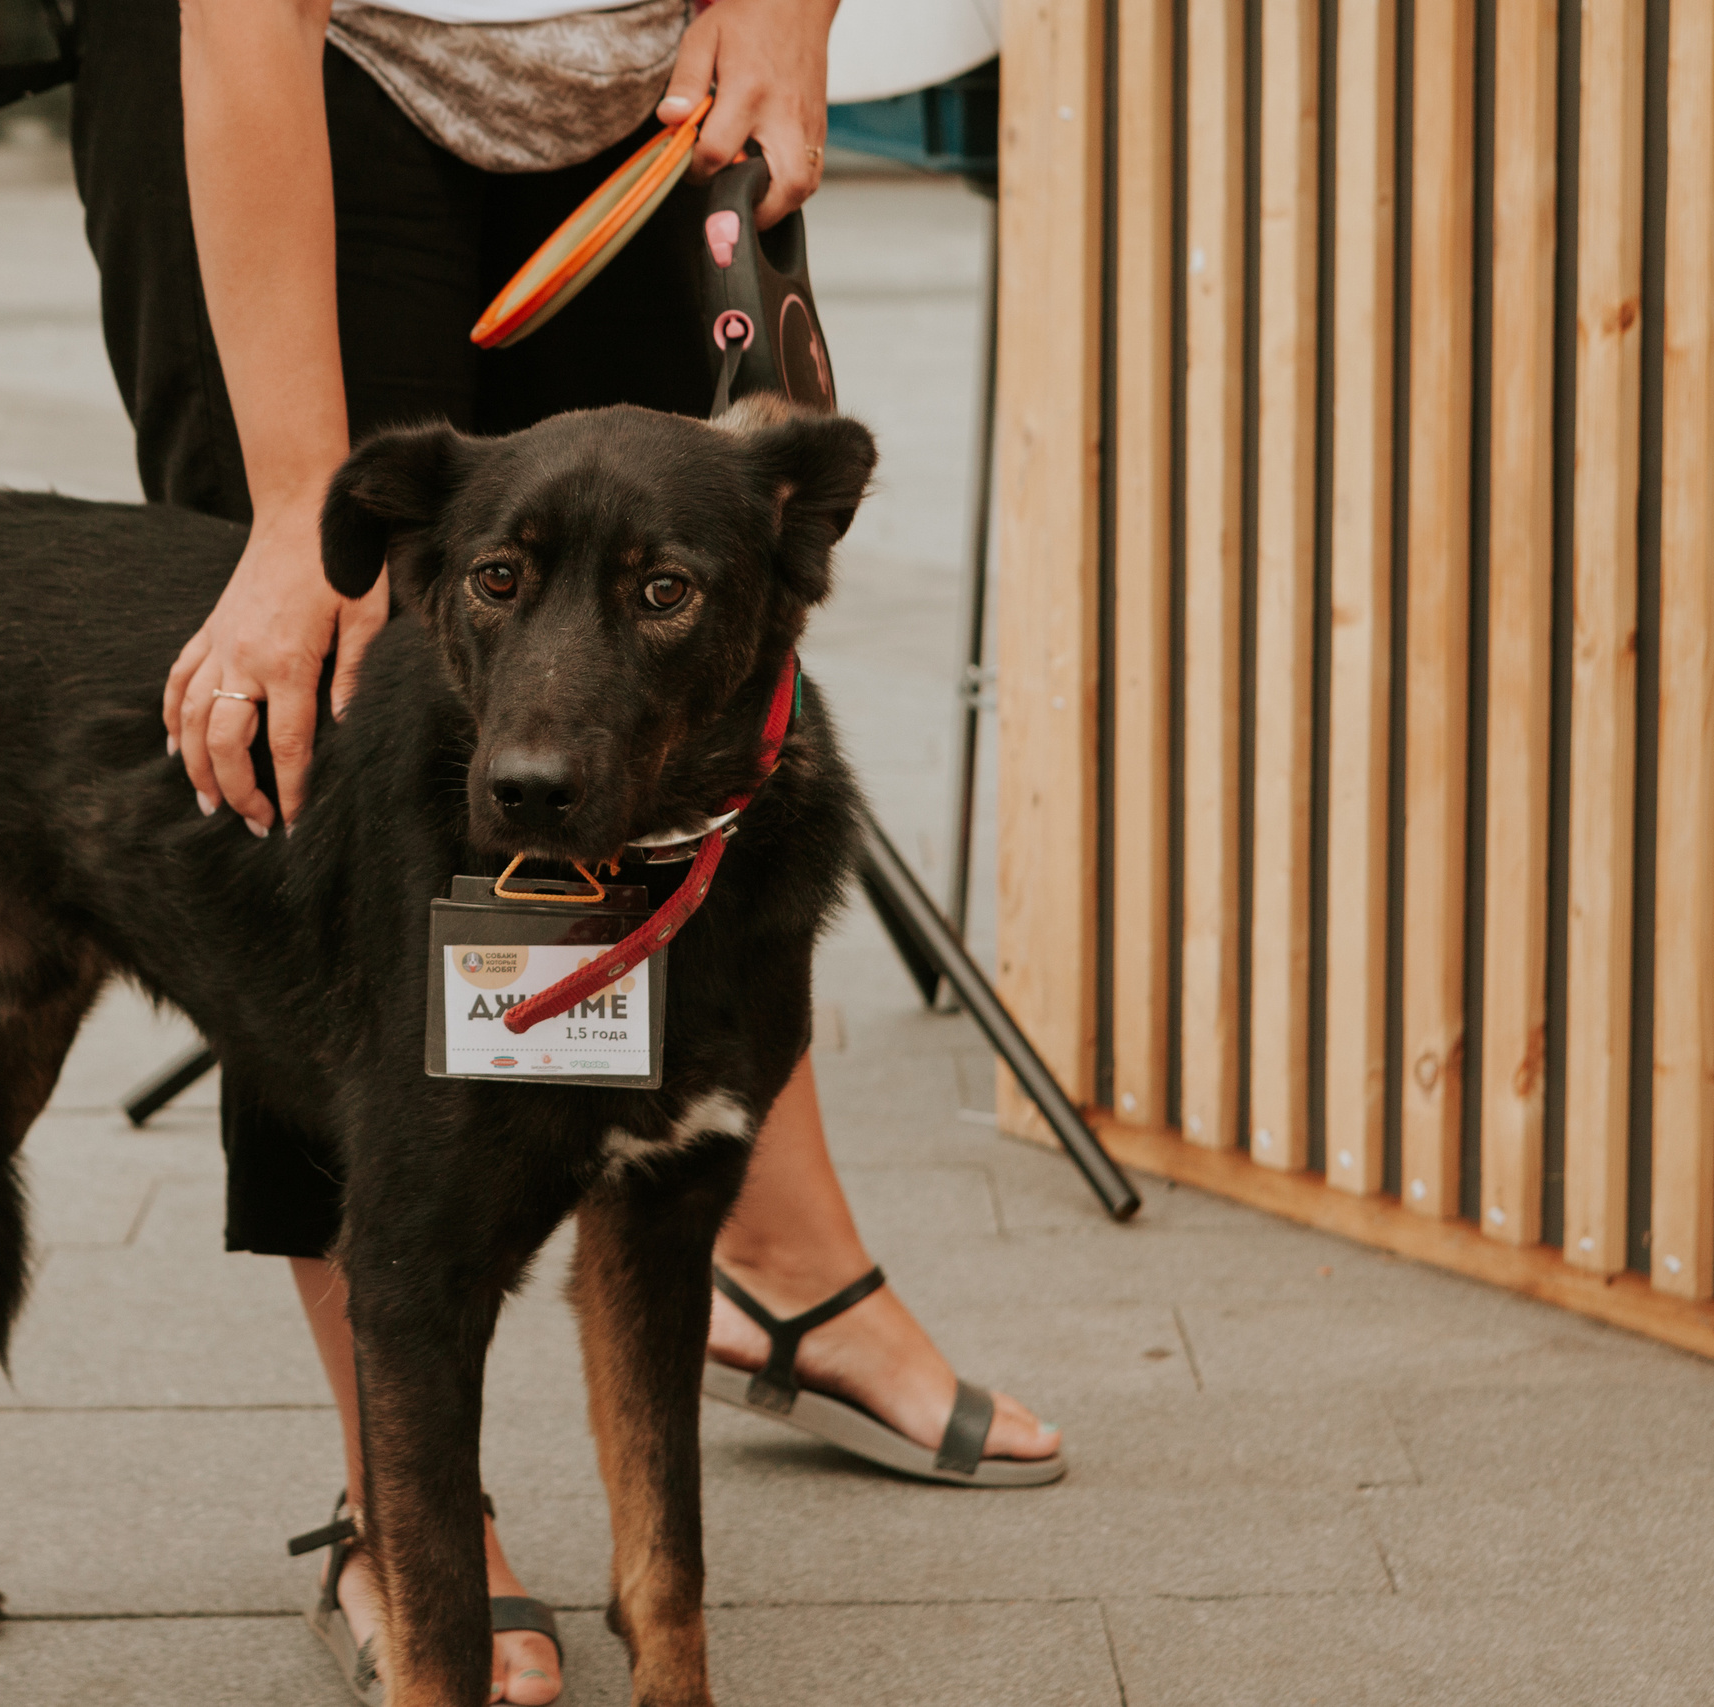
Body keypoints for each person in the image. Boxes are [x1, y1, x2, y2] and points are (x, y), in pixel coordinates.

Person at [70, 2, 1062, 1698]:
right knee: (338, 739)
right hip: (310, 63)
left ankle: (748, 1236)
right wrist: (303, 507)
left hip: (637, 79)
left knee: (663, 654)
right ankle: (413, 1508)